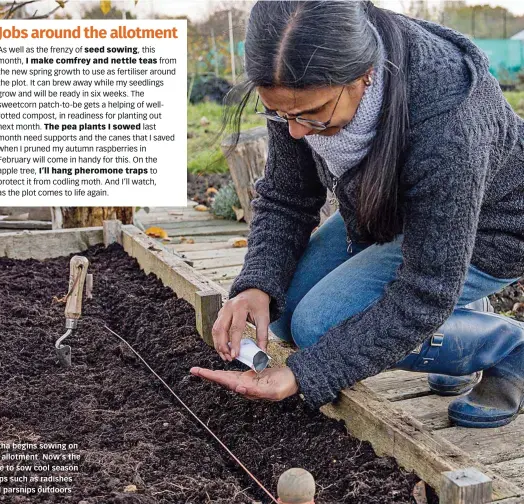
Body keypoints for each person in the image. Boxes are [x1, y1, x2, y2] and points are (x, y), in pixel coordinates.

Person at [190, 0, 524, 428]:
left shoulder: (449, 118)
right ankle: (464, 322)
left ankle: (507, 347)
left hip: (490, 228)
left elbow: (425, 292)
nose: (294, 131)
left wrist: (305, 373)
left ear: (365, 74)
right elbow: (287, 196)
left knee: (319, 328)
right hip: (392, 214)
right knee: (284, 311)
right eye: (279, 113)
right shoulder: (294, 77)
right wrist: (256, 285)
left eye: (312, 115)